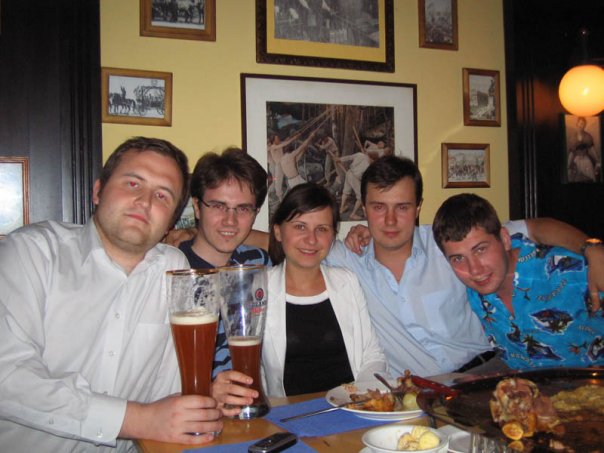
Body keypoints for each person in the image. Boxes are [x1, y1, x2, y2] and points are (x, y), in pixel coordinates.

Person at [0, 137, 223, 451]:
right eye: (133, 183)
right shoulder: (33, 252)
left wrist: (203, 399)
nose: (144, 202)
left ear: (171, 222)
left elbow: (169, 391)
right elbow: (7, 377)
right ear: (98, 191)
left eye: (162, 195)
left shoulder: (173, 269)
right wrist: (139, 420)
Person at [331, 156, 604, 377]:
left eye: (402, 207)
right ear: (364, 209)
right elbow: (310, 241)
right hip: (417, 391)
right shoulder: (348, 260)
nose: (390, 220)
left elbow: (537, 227)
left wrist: (593, 249)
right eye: (379, 207)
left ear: (417, 209)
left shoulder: (449, 242)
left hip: (488, 369)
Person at [432, 193, 604, 369]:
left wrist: (594, 249)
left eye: (481, 249)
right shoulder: (473, 290)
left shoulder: (568, 270)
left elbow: (539, 226)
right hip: (522, 380)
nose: (474, 269)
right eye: (458, 258)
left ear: (505, 239)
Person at [261, 183, 387, 397]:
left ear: (333, 235)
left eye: (322, 229)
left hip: (351, 405)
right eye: (300, 227)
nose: (311, 239)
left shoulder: (346, 281)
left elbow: (372, 354)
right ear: (278, 231)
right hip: (289, 412)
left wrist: (362, 398)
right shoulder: (259, 289)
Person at [177, 148, 270, 409]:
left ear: (255, 212)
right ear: (197, 207)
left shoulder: (258, 263)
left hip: (254, 410)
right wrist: (205, 391)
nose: (230, 221)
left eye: (243, 209)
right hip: (190, 414)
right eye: (218, 206)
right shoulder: (174, 271)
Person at [567, 116, 601, 183]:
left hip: (586, 159)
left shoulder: (588, 136)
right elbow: (571, 153)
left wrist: (597, 162)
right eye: (580, 123)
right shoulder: (573, 137)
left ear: (584, 126)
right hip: (576, 161)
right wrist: (568, 165)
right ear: (577, 124)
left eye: (583, 124)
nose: (581, 125)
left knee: (590, 177)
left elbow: (592, 150)